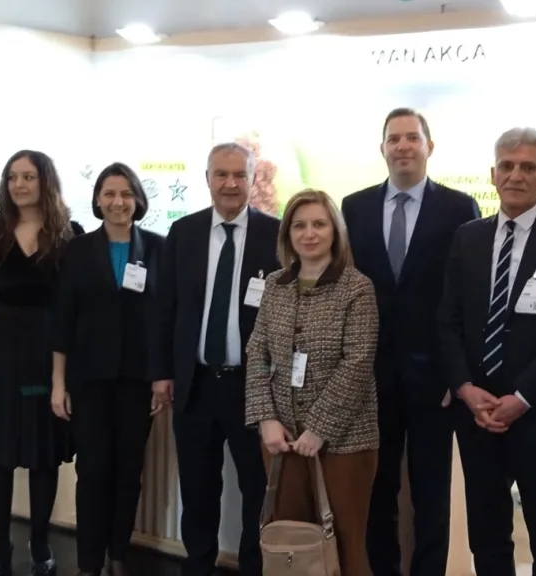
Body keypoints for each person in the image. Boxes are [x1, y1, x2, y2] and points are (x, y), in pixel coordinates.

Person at [437, 126, 536, 575]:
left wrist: (522, 398)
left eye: (529, 167)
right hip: (477, 415)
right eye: (506, 166)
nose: (516, 175)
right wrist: (465, 388)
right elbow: (447, 321)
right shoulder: (467, 237)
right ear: (492, 174)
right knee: (486, 535)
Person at [340, 107, 479, 576]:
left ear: (429, 147)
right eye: (394, 138)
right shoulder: (354, 207)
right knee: (377, 493)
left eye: (412, 138)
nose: (402, 146)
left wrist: (457, 376)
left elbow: (467, 299)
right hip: (369, 378)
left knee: (431, 495)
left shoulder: (459, 208)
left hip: (435, 382)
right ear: (382, 148)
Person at [0, 150, 83, 576]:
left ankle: (40, 542)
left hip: (48, 354)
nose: (19, 185)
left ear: (46, 181)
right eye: (12, 177)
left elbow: (76, 305)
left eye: (28, 176)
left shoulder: (70, 234)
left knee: (44, 453)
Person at [151, 142, 282, 576]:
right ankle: (198, 567)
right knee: (198, 491)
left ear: (252, 179)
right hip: (196, 384)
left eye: (239, 175)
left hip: (254, 388)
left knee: (257, 490)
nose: (230, 183)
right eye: (221, 174)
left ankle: (253, 569)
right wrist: (162, 373)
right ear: (207, 178)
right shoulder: (183, 232)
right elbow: (165, 308)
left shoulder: (276, 235)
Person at [245, 189, 379, 576]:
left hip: (345, 443)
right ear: (287, 234)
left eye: (319, 224)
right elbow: (258, 354)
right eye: (299, 225)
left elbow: (357, 363)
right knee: (293, 546)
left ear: (335, 232)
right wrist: (266, 419)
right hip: (282, 440)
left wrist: (319, 428)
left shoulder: (357, 288)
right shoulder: (276, 284)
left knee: (345, 546)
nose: (309, 233)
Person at [53, 162, 165, 576]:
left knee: (128, 470)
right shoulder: (77, 250)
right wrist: (58, 383)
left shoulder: (158, 248)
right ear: (98, 200)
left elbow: (164, 319)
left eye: (126, 194)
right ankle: (88, 562)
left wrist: (161, 377)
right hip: (89, 379)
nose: (118, 202)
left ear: (138, 199)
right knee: (93, 470)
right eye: (110, 194)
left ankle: (118, 555)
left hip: (138, 380)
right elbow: (63, 319)